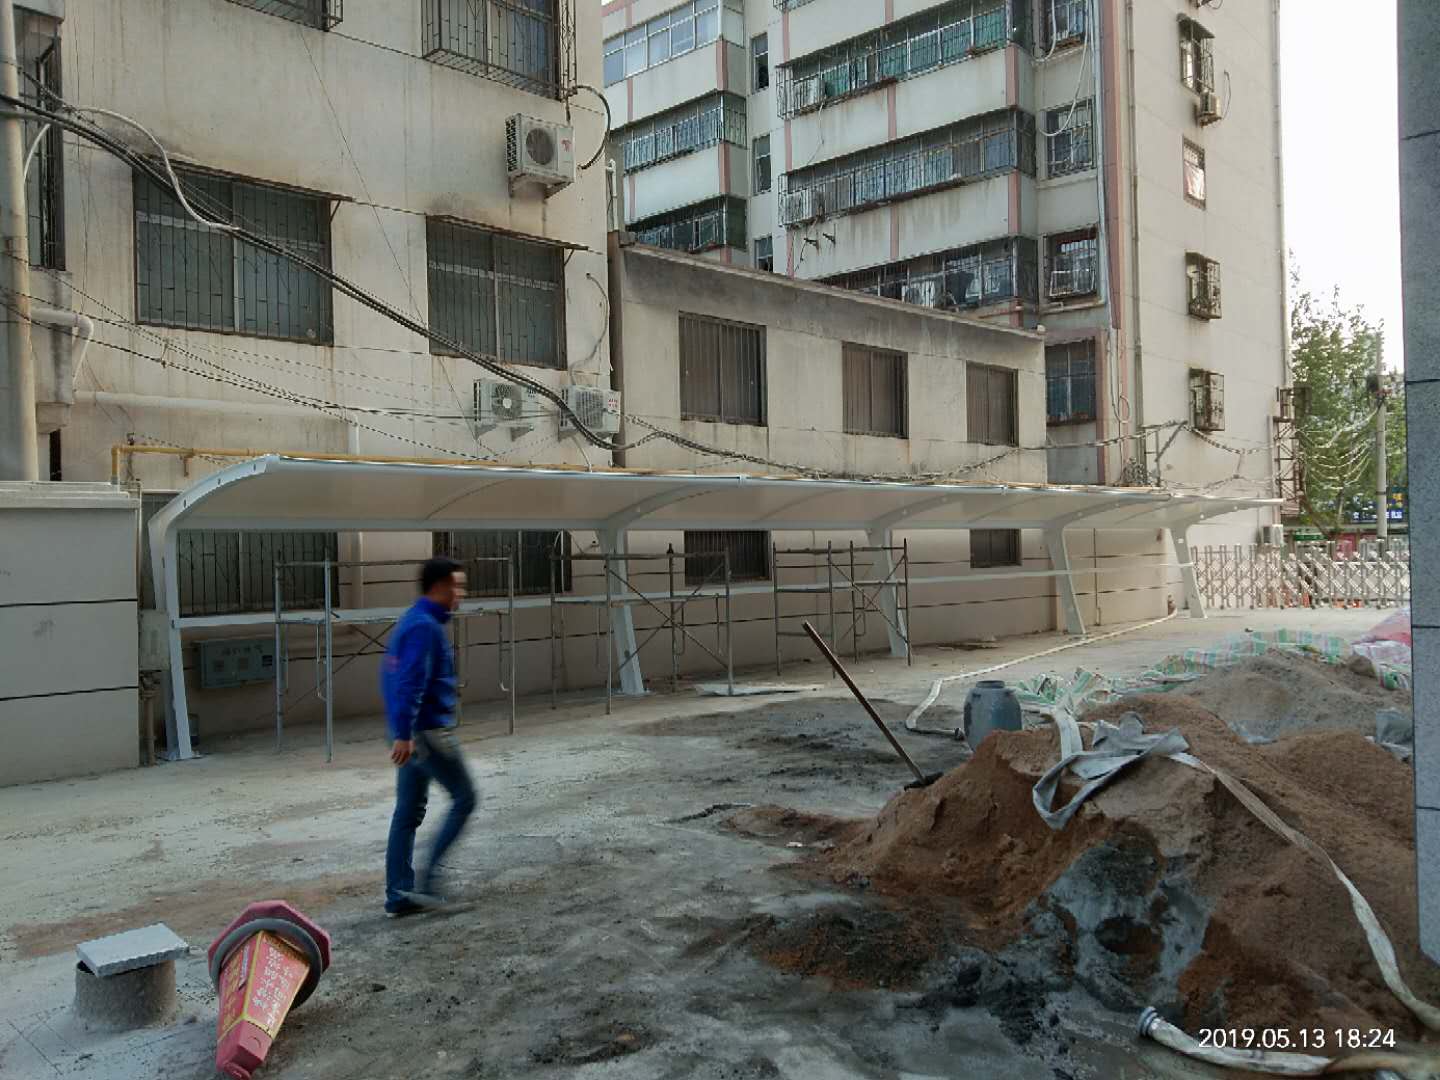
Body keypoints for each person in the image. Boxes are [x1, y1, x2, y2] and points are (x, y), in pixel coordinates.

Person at [382, 556, 476, 917]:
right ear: (439, 587)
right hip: (427, 732)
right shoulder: (424, 627)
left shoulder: (412, 620)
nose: (460, 594)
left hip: (410, 733)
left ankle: (399, 894)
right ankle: (428, 884)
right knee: (465, 797)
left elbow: (389, 677)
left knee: (407, 811)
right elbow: (409, 681)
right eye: (457, 586)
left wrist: (400, 730)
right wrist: (405, 733)